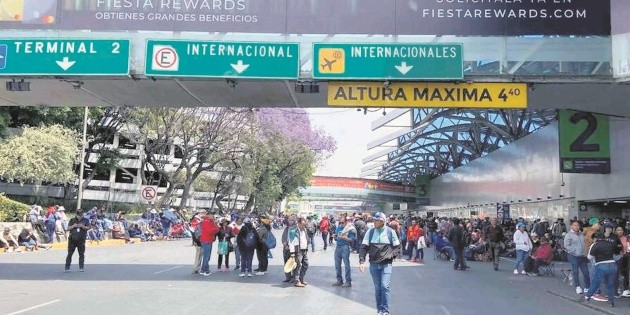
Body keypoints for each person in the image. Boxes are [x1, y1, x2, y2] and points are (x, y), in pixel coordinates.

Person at [359, 212, 401, 315]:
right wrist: (361, 261)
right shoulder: (370, 232)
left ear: (382, 221)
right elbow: (363, 247)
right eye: (374, 220)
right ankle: (379, 309)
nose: (374, 222)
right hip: (373, 264)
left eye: (376, 220)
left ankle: (385, 310)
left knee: (384, 286)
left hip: (386, 265)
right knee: (378, 288)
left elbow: (397, 246)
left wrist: (392, 256)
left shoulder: (390, 232)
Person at [584, 232, 618, 307]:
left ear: (595, 238)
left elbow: (589, 257)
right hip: (613, 265)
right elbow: (616, 253)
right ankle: (611, 301)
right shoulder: (610, 244)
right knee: (610, 284)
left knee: (595, 282)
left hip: (601, 265)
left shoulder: (595, 245)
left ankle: (587, 297)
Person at [564, 220, 591, 295]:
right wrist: (574, 251)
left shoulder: (581, 235)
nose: (577, 227)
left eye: (578, 225)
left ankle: (587, 287)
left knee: (586, 272)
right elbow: (566, 245)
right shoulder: (568, 235)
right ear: (571, 226)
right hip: (573, 256)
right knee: (575, 271)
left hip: (582, 256)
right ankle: (577, 286)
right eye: (575, 225)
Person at [332, 216, 356, 287]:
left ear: (346, 222)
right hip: (338, 247)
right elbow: (336, 237)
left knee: (346, 265)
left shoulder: (350, 229)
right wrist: (335, 237)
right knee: (337, 265)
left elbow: (352, 239)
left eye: (342, 222)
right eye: (340, 222)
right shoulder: (339, 228)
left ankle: (348, 281)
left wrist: (345, 238)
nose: (341, 224)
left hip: (345, 247)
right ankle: (339, 280)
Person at [289, 217, 310, 287]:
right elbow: (291, 242)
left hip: (304, 250)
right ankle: (296, 281)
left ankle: (301, 279)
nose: (304, 226)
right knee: (297, 266)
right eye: (303, 225)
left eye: (305, 225)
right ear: (299, 223)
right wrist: (292, 253)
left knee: (305, 264)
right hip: (298, 251)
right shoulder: (293, 231)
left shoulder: (305, 230)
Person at [282, 216, 297, 283]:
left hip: (293, 249)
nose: (290, 221)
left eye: (292, 220)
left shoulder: (296, 229)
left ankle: (294, 277)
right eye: (289, 220)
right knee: (286, 262)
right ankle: (288, 277)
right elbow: (283, 237)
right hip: (286, 248)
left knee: (293, 263)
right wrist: (285, 244)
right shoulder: (287, 228)